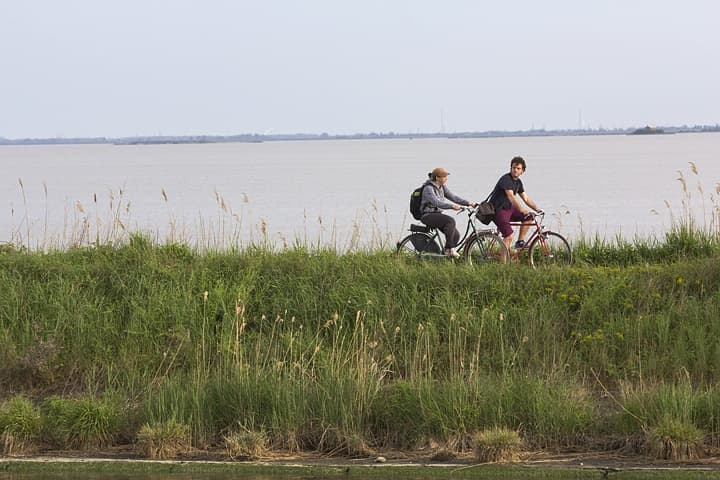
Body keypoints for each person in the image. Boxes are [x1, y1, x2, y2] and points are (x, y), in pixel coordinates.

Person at [488, 156, 542, 252]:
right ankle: (503, 266)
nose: (515, 170)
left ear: (522, 171)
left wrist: (537, 209)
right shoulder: (506, 179)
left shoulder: (518, 182)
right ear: (511, 168)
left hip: (509, 209)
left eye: (518, 168)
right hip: (498, 210)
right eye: (513, 168)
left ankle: (520, 242)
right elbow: (511, 196)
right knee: (508, 236)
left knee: (528, 218)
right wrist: (521, 209)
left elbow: (525, 198)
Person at [420, 167, 477, 258]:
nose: (446, 178)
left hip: (437, 215)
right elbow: (437, 202)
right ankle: (449, 249)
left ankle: (445, 254)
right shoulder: (428, 188)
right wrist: (451, 206)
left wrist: (469, 203)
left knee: (456, 235)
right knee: (450, 221)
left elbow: (453, 197)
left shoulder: (442, 187)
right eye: (444, 176)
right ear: (437, 178)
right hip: (427, 215)